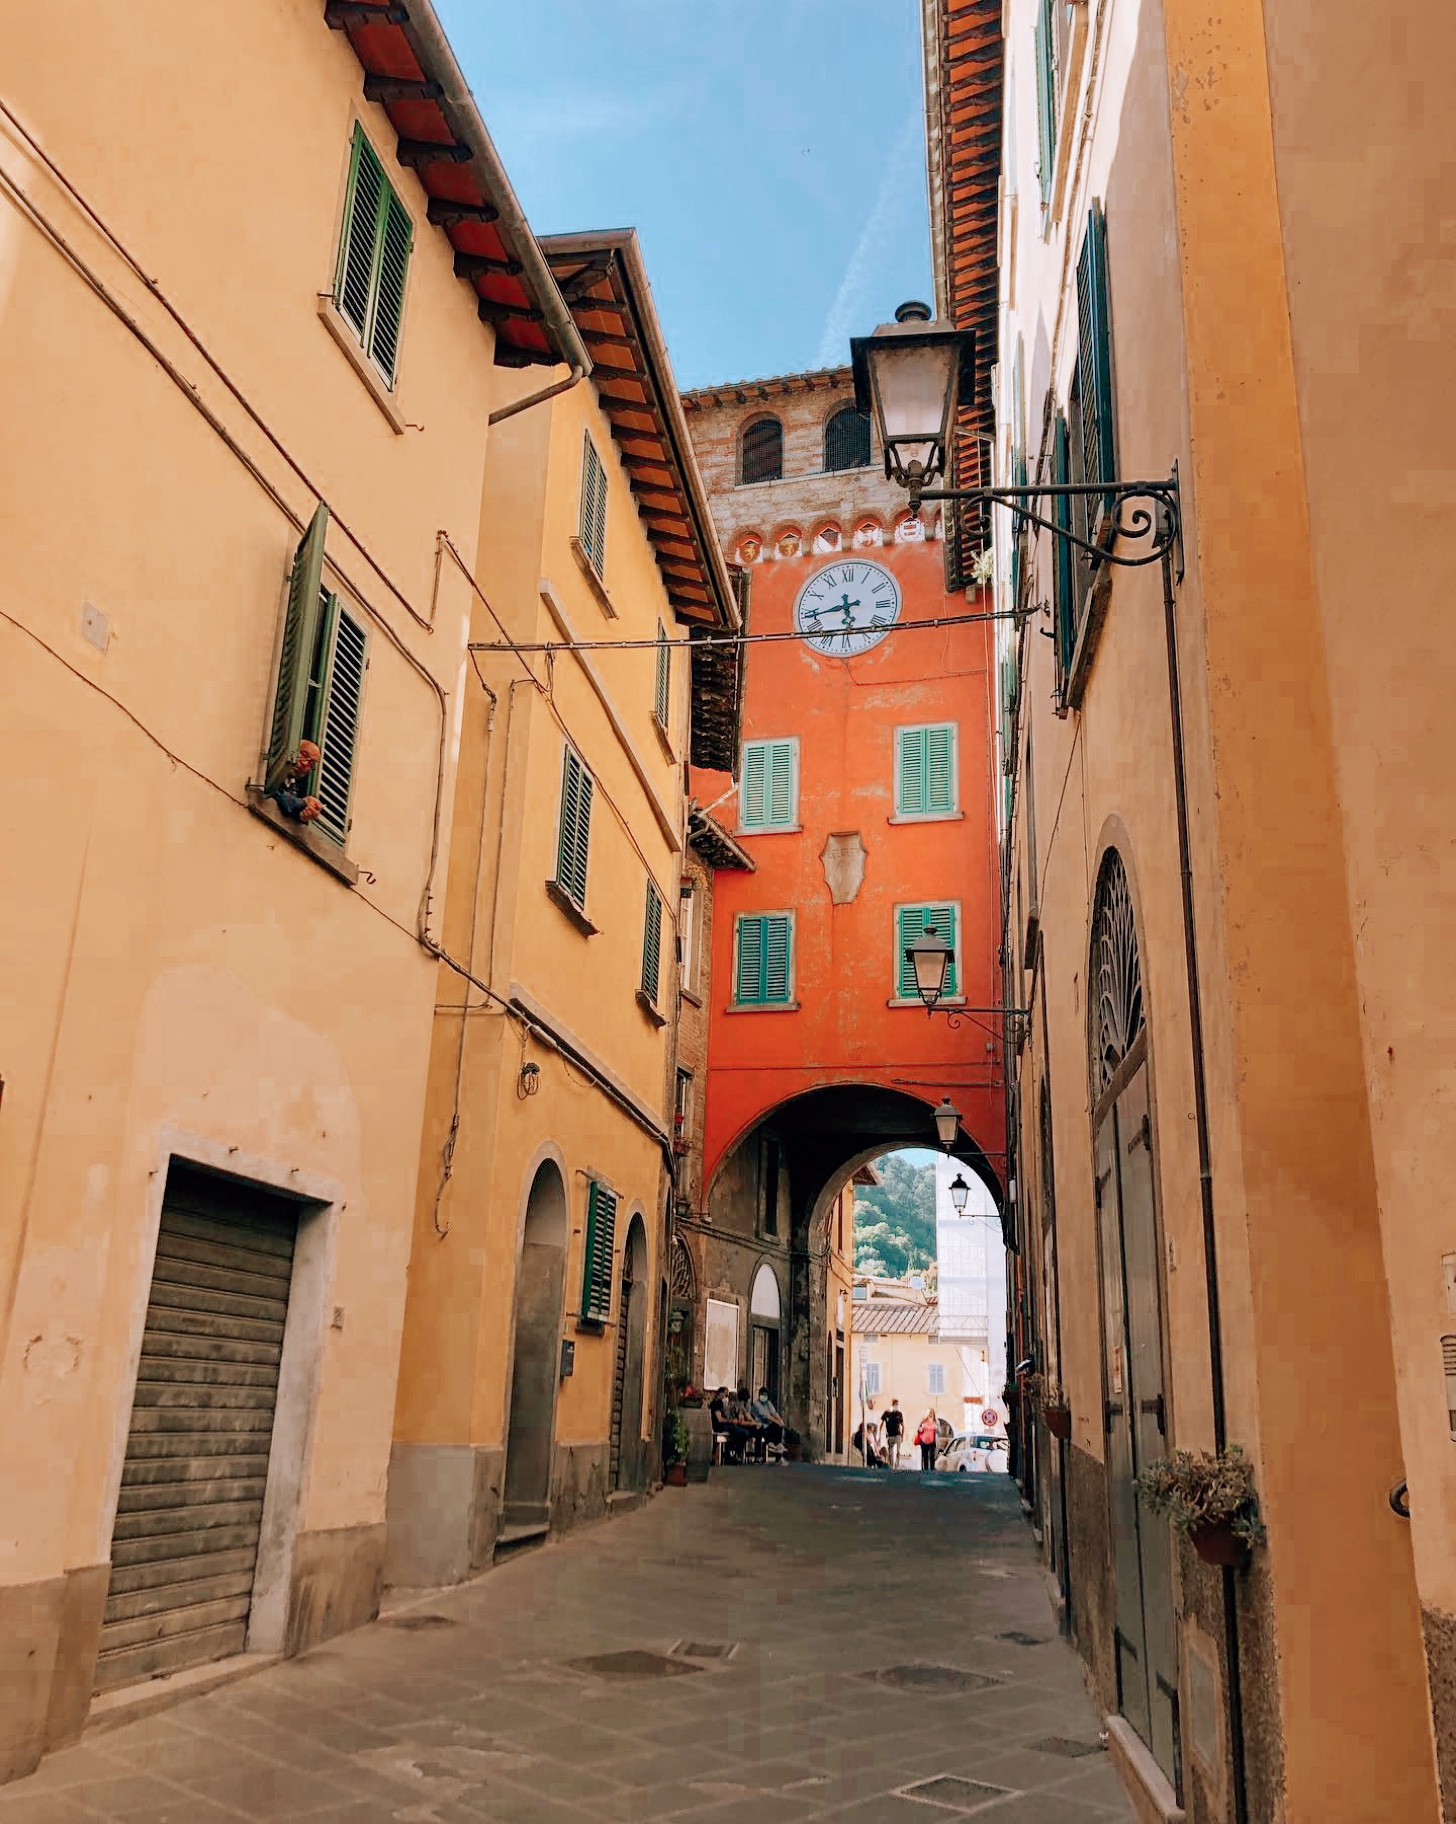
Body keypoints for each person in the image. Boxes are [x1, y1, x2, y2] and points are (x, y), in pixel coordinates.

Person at [267, 739, 323, 823]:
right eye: (304, 754)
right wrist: (303, 804)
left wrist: (305, 814)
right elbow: (274, 792)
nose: (305, 763)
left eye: (311, 763)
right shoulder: (270, 769)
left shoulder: (295, 788)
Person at [749, 1386, 784, 1454]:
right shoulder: (756, 1404)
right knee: (764, 1428)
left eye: (765, 1395)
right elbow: (767, 1416)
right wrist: (777, 1421)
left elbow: (774, 1413)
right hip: (758, 1425)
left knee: (778, 1426)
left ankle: (778, 1444)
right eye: (762, 1394)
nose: (763, 1396)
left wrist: (780, 1420)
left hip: (767, 1424)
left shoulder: (768, 1403)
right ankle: (770, 1444)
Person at [882, 1398, 905, 1470]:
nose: (896, 1406)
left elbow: (902, 1425)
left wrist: (902, 1435)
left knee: (898, 1451)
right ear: (892, 1404)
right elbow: (881, 1424)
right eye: (895, 1404)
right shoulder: (887, 1413)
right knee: (890, 1452)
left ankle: (896, 1465)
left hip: (898, 1435)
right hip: (890, 1435)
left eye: (897, 1404)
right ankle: (891, 1466)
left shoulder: (899, 1414)